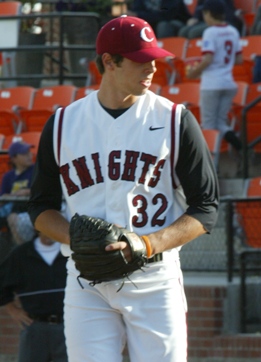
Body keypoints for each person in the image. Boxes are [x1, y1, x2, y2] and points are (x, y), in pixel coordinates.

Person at [27, 15, 219, 362]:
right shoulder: (62, 124)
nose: (153, 68)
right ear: (109, 62)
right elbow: (41, 208)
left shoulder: (175, 121)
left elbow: (206, 209)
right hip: (87, 284)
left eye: (154, 60)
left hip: (155, 278)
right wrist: (79, 240)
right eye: (141, 60)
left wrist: (147, 244)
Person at [0, 232, 68, 362]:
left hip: (68, 327)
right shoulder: (21, 254)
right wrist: (12, 309)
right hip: (35, 328)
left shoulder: (71, 253)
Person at [187, 0, 243, 155]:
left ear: (208, 14)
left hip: (211, 84)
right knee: (221, 123)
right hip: (228, 82)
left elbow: (208, 58)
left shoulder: (210, 32)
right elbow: (239, 60)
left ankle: (210, 165)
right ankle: (242, 148)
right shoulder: (232, 30)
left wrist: (194, 72)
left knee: (209, 126)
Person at [0, 141, 36, 245]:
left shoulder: (36, 170)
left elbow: (43, 190)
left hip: (29, 208)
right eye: (24, 154)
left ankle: (19, 251)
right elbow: (4, 197)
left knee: (13, 218)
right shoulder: (8, 176)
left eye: (29, 152)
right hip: (10, 208)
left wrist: (26, 192)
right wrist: (14, 195)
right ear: (14, 158)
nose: (30, 156)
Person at [178, 0, 243, 39]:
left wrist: (207, 15)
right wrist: (196, 18)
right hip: (208, 19)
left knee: (193, 33)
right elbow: (200, 6)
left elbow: (218, 8)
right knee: (183, 31)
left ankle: (204, 53)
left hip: (221, 20)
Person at [126, 0, 192, 38]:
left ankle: (165, 56)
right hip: (152, 22)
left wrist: (139, 15)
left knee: (163, 26)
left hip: (177, 22)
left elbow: (165, 16)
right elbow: (135, 11)